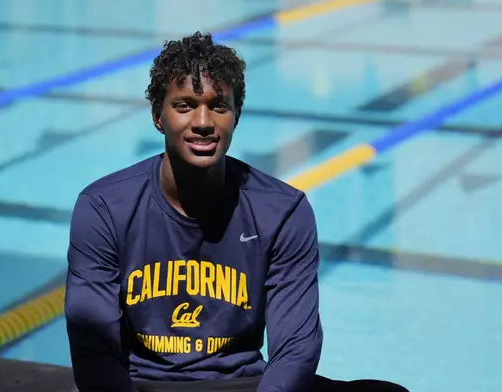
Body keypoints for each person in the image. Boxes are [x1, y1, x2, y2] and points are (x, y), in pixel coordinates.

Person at [64, 32, 409, 392]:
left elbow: (295, 348)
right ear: (158, 116)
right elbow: (95, 351)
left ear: (236, 115)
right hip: (144, 386)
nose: (203, 122)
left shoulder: (282, 211)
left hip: (243, 385)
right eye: (184, 106)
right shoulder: (104, 208)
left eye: (218, 106)